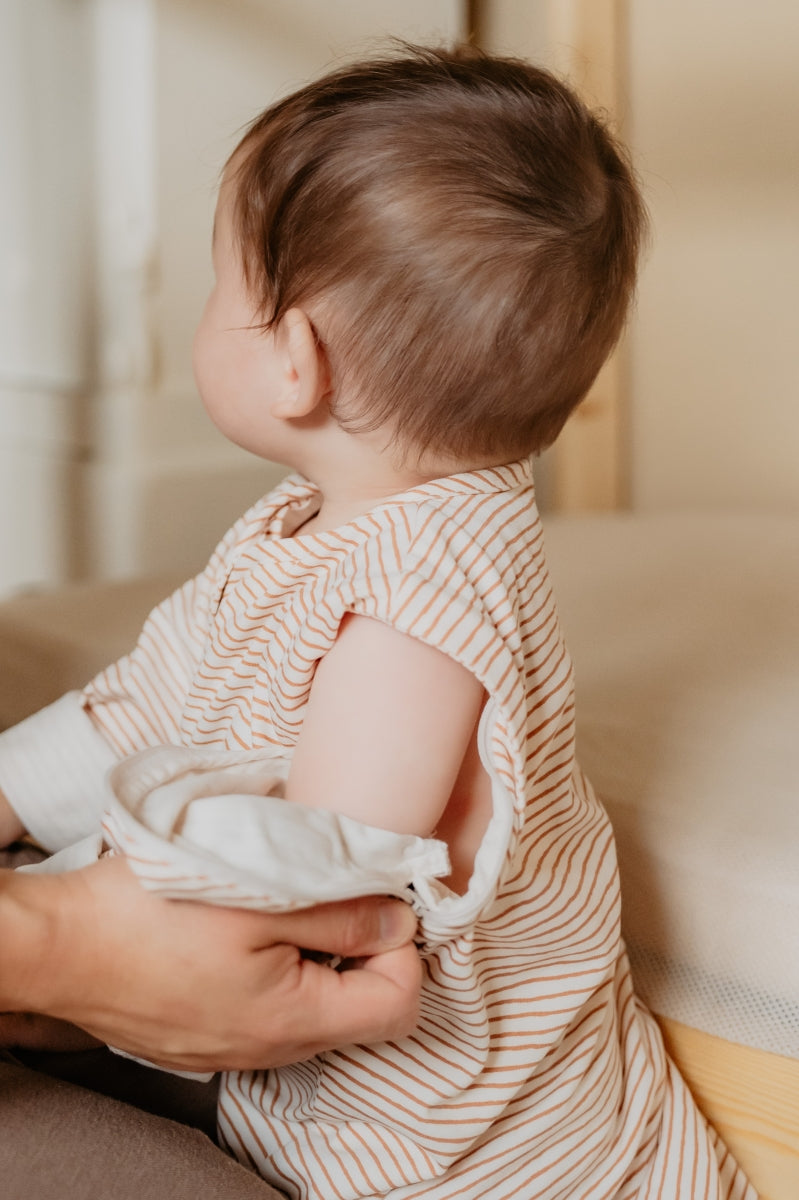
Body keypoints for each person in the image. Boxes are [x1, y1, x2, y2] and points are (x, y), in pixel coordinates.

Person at [0, 44, 755, 1200]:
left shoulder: (421, 616)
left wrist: (69, 927)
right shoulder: (306, 527)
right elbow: (146, 698)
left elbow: (305, 889)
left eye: (219, 287)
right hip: (317, 1111)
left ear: (294, 361)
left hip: (473, 1164)